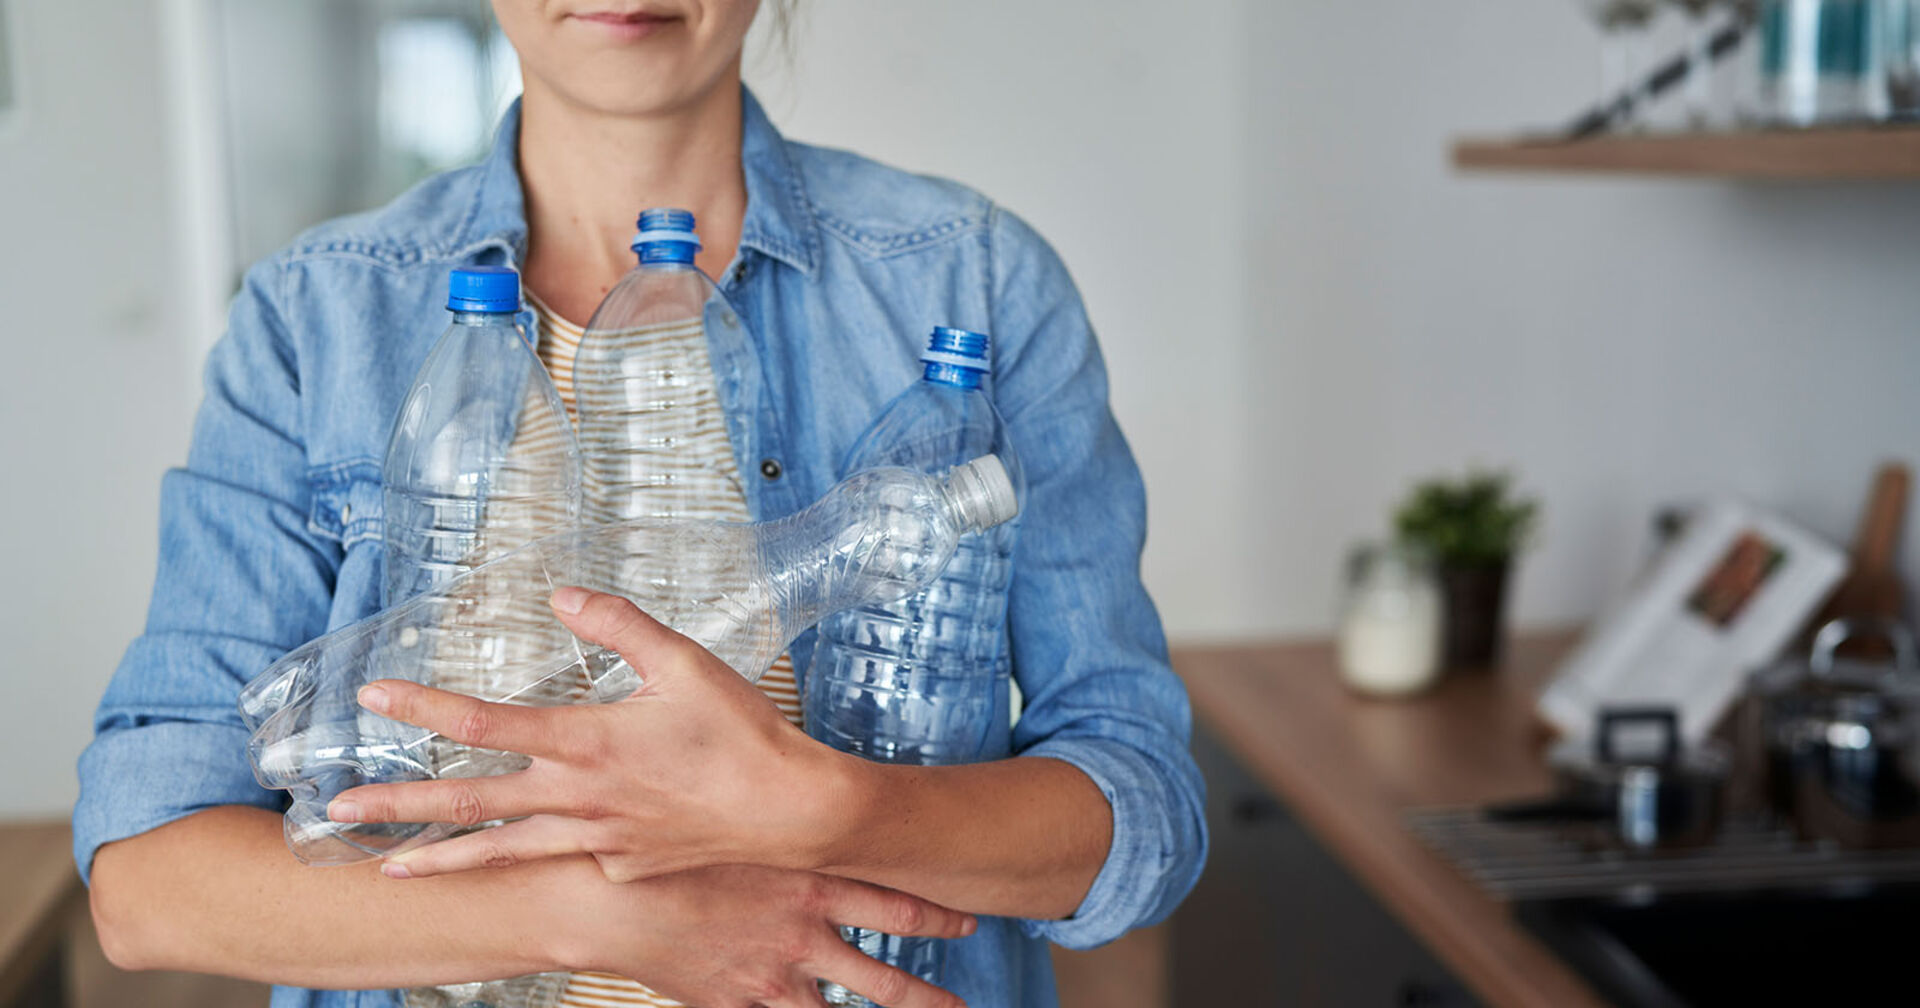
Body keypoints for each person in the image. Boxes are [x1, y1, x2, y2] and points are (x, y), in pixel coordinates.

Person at [74, 2, 1207, 1007]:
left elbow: (1142, 816)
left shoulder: (976, 282)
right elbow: (148, 885)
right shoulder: (311, 320)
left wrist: (835, 812)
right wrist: (603, 918)